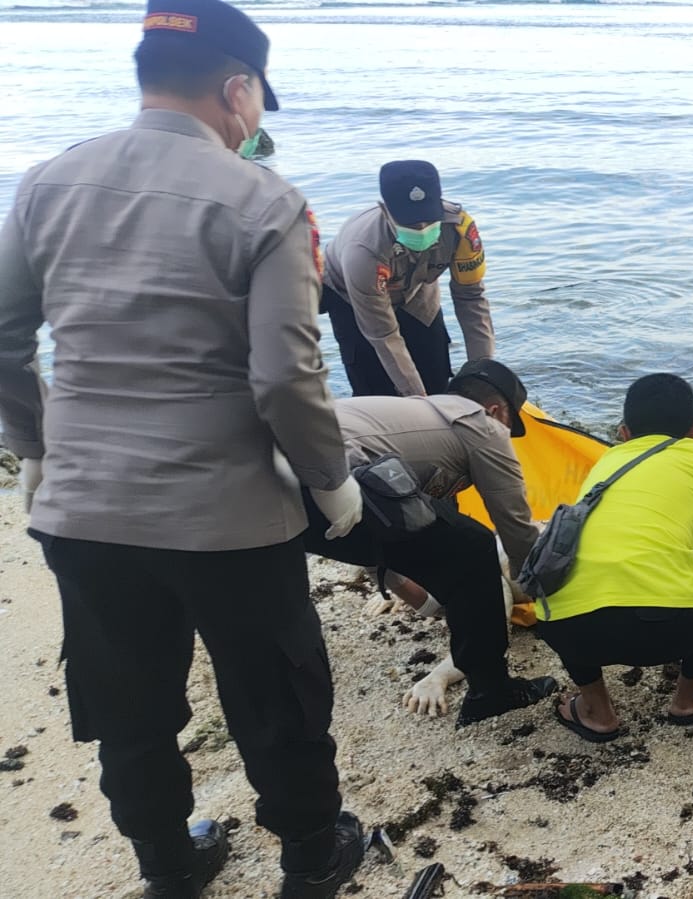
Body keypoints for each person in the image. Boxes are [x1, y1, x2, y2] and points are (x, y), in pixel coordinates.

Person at [0, 2, 366, 896]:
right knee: (274, 695)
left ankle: (169, 862)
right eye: (255, 105)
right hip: (228, 517)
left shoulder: (47, 182)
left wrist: (37, 446)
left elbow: (4, 340)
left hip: (84, 511)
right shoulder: (265, 200)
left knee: (126, 705)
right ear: (236, 89)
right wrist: (330, 480)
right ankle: (311, 859)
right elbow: (284, 377)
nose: (254, 124)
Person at [302, 359, 561, 727]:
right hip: (336, 481)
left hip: (280, 489)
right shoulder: (481, 425)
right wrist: (542, 585)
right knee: (476, 548)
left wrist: (390, 577)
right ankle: (492, 693)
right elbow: (516, 528)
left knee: (446, 545)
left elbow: (412, 536)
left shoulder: (416, 410)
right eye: (508, 423)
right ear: (496, 410)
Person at [534, 374, 693, 743]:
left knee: (577, 579)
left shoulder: (605, 464)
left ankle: (597, 711)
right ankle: (690, 696)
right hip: (673, 629)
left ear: (623, 433)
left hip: (570, 634)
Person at [321, 160, 493, 397]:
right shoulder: (363, 251)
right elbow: (383, 334)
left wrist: (484, 378)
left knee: (436, 377)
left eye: (428, 218)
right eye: (410, 222)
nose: (422, 228)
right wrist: (420, 403)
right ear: (385, 211)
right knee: (376, 390)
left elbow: (471, 298)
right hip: (350, 295)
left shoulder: (460, 230)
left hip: (418, 289)